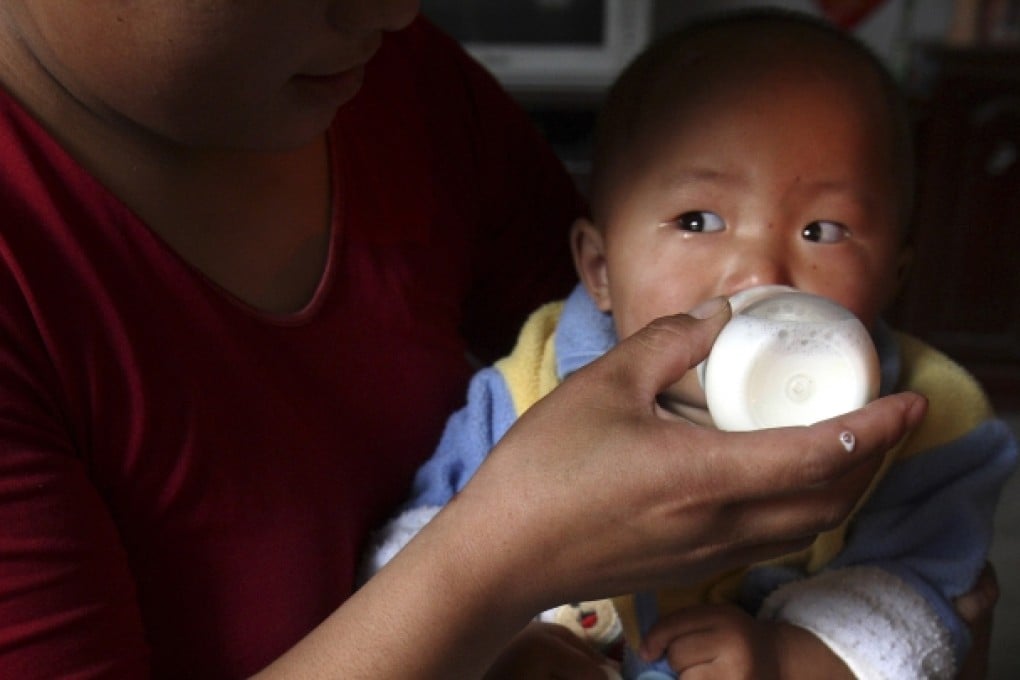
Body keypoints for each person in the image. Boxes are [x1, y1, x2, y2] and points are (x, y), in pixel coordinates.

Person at [365, 10, 1019, 680]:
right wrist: (505, 649)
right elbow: (420, 550)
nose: (761, 273)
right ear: (600, 270)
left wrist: (792, 660)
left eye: (824, 231)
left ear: (894, 277)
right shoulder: (531, 389)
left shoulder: (927, 415)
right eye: (698, 221)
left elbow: (923, 587)